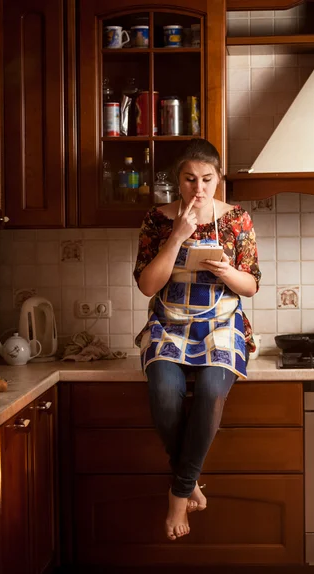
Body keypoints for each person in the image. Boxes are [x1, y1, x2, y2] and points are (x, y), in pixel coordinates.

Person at [133, 139, 261, 541]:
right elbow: (146, 285)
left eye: (207, 179)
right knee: (165, 391)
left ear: (219, 179)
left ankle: (178, 491)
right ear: (179, 181)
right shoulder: (157, 219)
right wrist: (176, 237)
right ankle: (190, 483)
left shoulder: (237, 219)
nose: (199, 188)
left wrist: (225, 270)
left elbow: (251, 285)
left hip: (222, 326)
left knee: (209, 389)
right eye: (190, 179)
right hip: (170, 323)